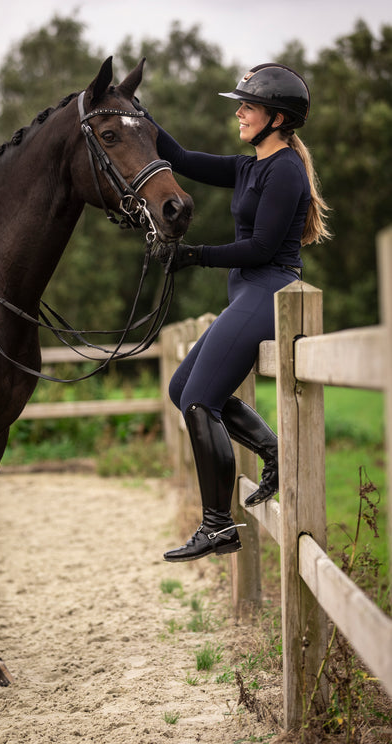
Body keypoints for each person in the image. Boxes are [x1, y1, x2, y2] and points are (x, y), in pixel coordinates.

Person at [144, 63, 331, 562]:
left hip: (269, 288)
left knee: (200, 399)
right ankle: (273, 451)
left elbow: (262, 246)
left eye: (247, 105)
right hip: (247, 292)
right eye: (240, 104)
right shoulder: (249, 166)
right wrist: (136, 114)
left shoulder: (286, 168)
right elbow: (180, 156)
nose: (239, 112)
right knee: (182, 389)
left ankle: (218, 524)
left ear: (276, 116)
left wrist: (194, 255)